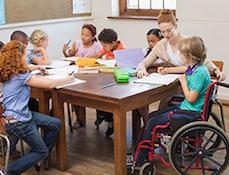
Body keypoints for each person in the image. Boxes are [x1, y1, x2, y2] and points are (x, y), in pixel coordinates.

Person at [0, 40, 74, 175]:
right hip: (19, 122)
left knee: (55, 123)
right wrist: (70, 78)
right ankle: (8, 171)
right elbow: (50, 84)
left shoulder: (8, 71)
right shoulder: (21, 76)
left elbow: (26, 67)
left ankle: (38, 157)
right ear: (19, 57)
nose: (26, 58)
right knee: (41, 151)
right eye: (24, 55)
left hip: (14, 117)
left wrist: (36, 68)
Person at [136, 36, 211, 166]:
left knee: (152, 121)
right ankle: (145, 151)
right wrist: (168, 71)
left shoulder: (199, 74)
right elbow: (184, 70)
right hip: (187, 109)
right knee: (152, 116)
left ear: (190, 56)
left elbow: (191, 98)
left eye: (181, 54)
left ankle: (141, 159)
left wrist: (182, 82)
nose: (179, 56)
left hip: (190, 113)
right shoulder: (196, 68)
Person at [137, 10, 225, 81]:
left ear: (176, 25)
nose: (166, 35)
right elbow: (144, 63)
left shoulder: (188, 41)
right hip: (175, 82)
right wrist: (142, 69)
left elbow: (203, 60)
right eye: (162, 32)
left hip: (192, 82)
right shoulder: (160, 46)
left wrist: (216, 71)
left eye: (169, 30)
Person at [95, 28, 125, 137]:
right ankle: (102, 115)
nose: (103, 48)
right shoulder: (106, 48)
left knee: (108, 101)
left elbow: (123, 65)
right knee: (98, 96)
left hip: (117, 83)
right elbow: (98, 56)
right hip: (106, 78)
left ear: (113, 43)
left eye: (104, 45)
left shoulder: (122, 50)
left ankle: (109, 122)